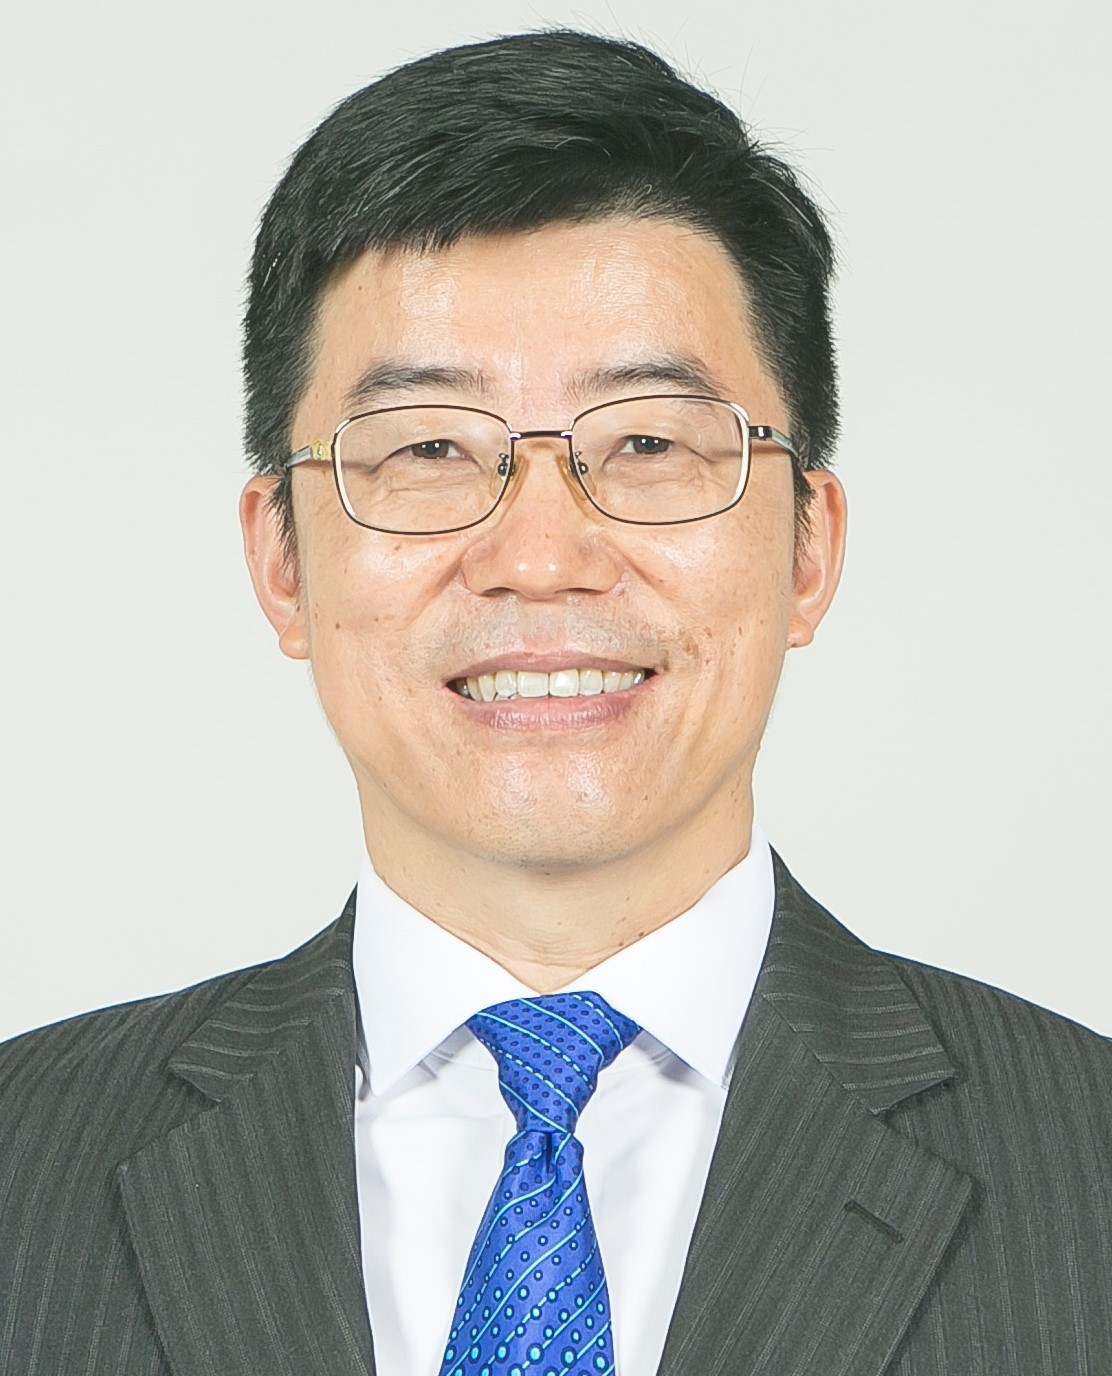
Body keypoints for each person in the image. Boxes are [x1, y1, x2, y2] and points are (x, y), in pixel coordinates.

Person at [1, 28, 1108, 1376]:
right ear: (281, 563)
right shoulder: (24, 1164)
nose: (539, 556)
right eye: (426, 447)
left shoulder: (1086, 1168)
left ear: (809, 550)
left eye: (647, 441)